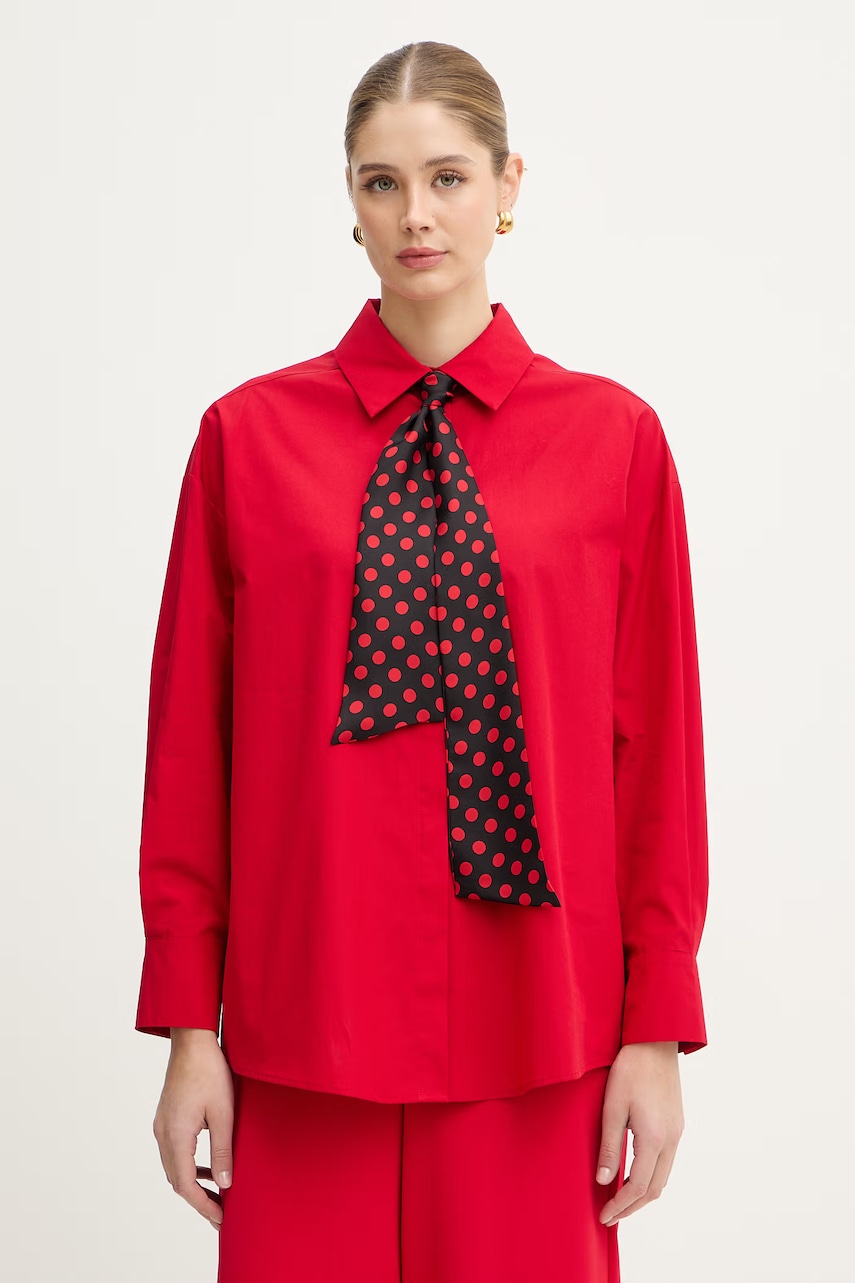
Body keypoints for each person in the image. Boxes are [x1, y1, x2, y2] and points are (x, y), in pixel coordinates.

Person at [134, 40, 710, 1283]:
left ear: (508, 186)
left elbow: (656, 754)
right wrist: (189, 1026)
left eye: (447, 177)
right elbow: (190, 752)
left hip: (543, 1029)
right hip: (302, 1026)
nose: (416, 216)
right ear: (349, 199)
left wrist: (656, 1029)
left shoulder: (615, 441)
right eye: (382, 182)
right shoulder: (245, 440)